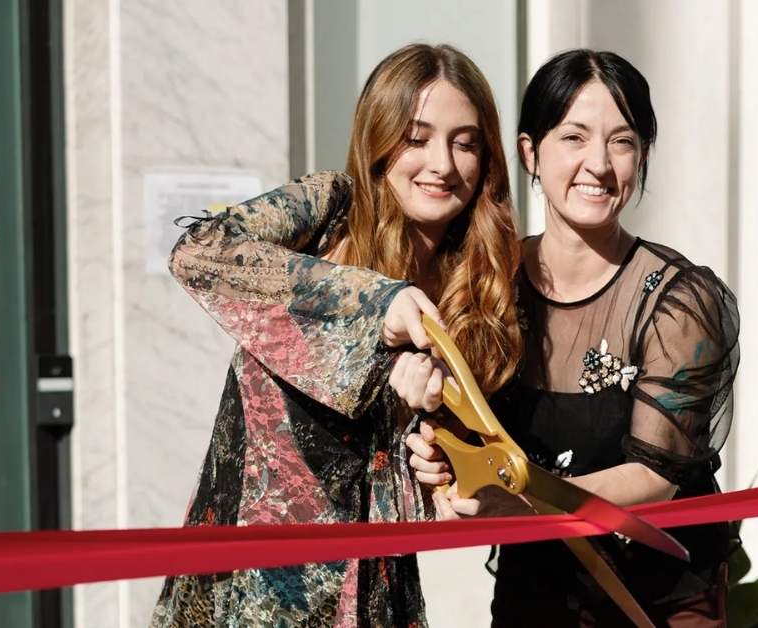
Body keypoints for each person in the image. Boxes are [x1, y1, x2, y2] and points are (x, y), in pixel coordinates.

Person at [150, 43, 523, 627]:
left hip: (373, 591)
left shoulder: (475, 290)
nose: (443, 164)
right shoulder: (329, 210)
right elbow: (198, 253)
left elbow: (407, 483)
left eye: (465, 142)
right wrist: (378, 306)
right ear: (378, 140)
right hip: (253, 587)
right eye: (417, 137)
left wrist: (439, 469)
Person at [397, 49, 740, 627]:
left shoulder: (677, 301)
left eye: (623, 142)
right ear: (531, 152)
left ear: (644, 156)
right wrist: (441, 461)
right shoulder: (486, 284)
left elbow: (656, 478)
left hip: (661, 600)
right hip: (536, 590)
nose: (599, 165)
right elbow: (469, 430)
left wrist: (519, 502)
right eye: (574, 138)